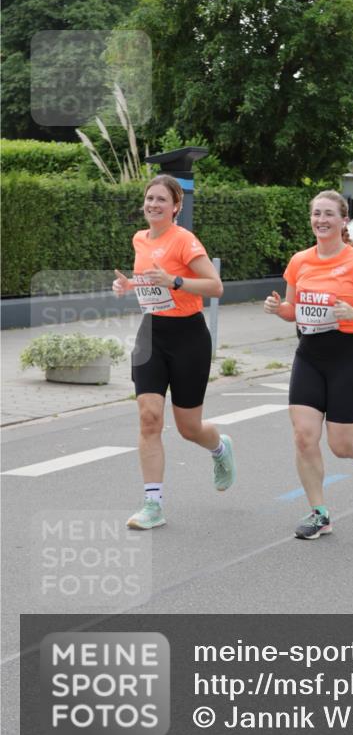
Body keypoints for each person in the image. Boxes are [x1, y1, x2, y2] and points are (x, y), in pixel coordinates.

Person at [264, 190, 353, 540]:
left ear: (343, 219)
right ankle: (319, 513)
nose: (321, 220)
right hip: (309, 354)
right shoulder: (300, 261)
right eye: (316, 214)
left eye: (329, 214)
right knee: (304, 437)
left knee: (339, 445)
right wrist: (279, 309)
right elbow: (293, 310)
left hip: (348, 355)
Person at [112, 175, 234, 529]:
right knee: (149, 418)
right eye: (149, 198)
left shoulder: (185, 241)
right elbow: (151, 280)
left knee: (189, 427)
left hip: (188, 337)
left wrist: (176, 281)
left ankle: (219, 448)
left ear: (176, 206)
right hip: (152, 333)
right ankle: (153, 505)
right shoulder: (140, 238)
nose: (153, 205)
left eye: (161, 199)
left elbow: (215, 286)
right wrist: (129, 284)